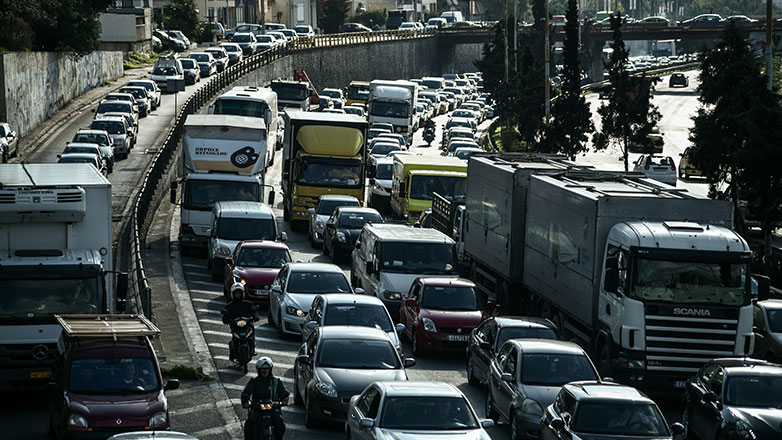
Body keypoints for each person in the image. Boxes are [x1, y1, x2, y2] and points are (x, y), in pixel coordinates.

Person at [241, 357, 289, 440]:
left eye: (267, 368)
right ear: (259, 370)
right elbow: (246, 392)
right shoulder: (254, 381)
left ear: (270, 369)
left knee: (280, 424)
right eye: (263, 369)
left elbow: (284, 393)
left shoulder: (276, 381)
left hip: (273, 410)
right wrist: (245, 401)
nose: (265, 371)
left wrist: (284, 400)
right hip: (257, 410)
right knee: (249, 426)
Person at [223, 283, 256, 361]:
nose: (238, 295)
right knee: (234, 338)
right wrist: (227, 320)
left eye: (239, 293)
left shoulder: (248, 304)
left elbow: (253, 311)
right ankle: (233, 352)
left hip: (246, 326)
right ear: (233, 294)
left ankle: (252, 347)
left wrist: (254, 316)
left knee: (252, 330)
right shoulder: (229, 306)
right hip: (236, 326)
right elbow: (225, 315)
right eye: (236, 293)